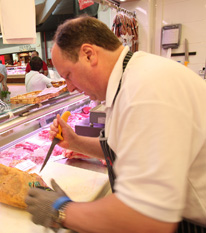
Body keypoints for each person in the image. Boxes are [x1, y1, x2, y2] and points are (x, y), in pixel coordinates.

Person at [25, 15, 206, 232]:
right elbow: (130, 151)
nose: (70, 87)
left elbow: (147, 217)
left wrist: (60, 210)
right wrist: (75, 142)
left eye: (69, 75)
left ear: (89, 54)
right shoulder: (128, 81)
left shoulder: (145, 90)